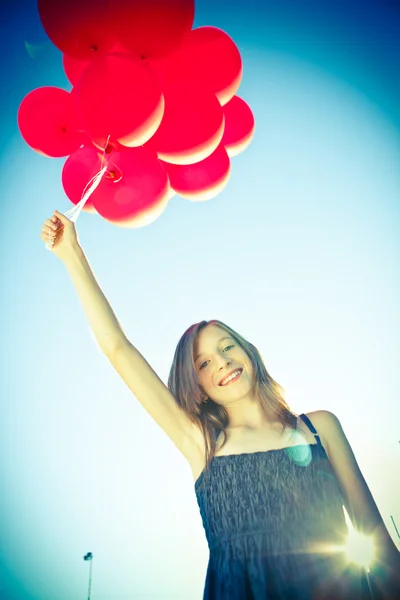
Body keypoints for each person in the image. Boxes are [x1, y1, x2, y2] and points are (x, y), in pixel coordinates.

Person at [41, 210, 400, 599]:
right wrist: (71, 254)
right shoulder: (201, 443)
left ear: (249, 351)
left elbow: (375, 535)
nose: (223, 362)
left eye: (228, 347)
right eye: (205, 363)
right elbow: (118, 349)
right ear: (197, 386)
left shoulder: (319, 428)